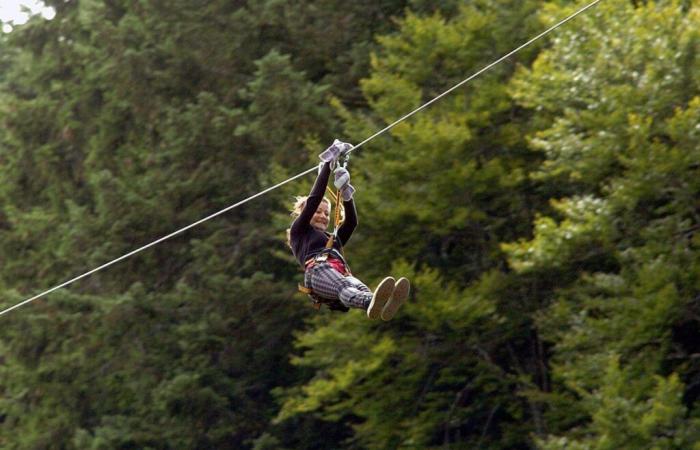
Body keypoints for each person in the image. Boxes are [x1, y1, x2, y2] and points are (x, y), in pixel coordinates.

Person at [288, 139, 410, 320]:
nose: (323, 216)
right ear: (304, 213)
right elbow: (314, 198)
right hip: (318, 272)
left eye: (326, 213)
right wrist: (328, 164)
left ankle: (376, 302)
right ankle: (369, 302)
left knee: (359, 287)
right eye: (318, 212)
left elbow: (352, 222)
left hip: (339, 272)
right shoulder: (299, 232)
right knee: (343, 287)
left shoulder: (333, 239)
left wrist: (346, 193)